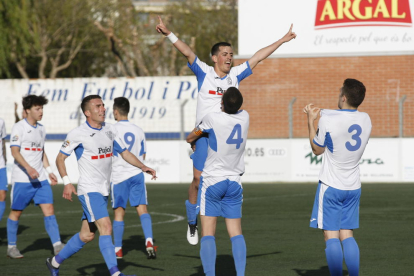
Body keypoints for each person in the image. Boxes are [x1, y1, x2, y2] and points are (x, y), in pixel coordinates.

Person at [156, 15, 297, 245]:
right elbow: (187, 52)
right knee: (197, 180)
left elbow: (259, 56)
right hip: (204, 134)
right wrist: (168, 33)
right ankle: (192, 221)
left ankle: (220, 218)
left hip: (225, 136)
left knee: (226, 180)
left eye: (231, 54)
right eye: (224, 54)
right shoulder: (204, 72)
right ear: (214, 58)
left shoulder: (236, 75)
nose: (229, 58)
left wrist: (282, 40)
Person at [46, 95, 156, 276]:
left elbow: (125, 152)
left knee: (86, 235)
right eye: (98, 106)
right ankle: (115, 273)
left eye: (103, 105)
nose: (103, 109)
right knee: (106, 226)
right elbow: (60, 158)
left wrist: (143, 166)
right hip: (89, 190)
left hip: (104, 190)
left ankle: (54, 262)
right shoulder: (77, 134)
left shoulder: (110, 129)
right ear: (87, 112)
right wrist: (67, 183)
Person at [303, 79, 372, 276]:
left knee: (330, 236)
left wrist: (311, 120)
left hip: (331, 185)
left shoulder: (328, 121)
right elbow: (342, 115)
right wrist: (320, 110)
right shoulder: (366, 118)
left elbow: (317, 150)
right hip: (353, 186)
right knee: (347, 234)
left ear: (343, 97)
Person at [186, 87, 249, 276]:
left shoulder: (212, 118)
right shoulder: (245, 116)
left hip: (213, 181)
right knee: (236, 233)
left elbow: (190, 137)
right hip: (235, 182)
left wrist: (197, 138)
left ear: (221, 103)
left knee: (208, 234)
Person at [7, 95, 64, 259]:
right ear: (27, 111)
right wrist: (28, 168)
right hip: (22, 180)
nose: (41, 112)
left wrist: (49, 170)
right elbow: (14, 151)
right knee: (16, 213)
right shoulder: (19, 127)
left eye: (42, 108)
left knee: (49, 210)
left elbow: (41, 151)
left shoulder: (41, 128)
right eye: (37, 109)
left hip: (40, 180)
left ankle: (57, 245)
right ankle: (11, 247)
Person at [111, 97, 156, 260]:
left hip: (119, 175)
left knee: (119, 213)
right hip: (137, 174)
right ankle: (149, 242)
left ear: (115, 111)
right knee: (142, 210)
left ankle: (118, 249)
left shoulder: (111, 129)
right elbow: (143, 154)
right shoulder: (138, 130)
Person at [0, 118, 7, 228]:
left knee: (2, 195)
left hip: (1, 165)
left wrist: (5, 159)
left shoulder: (1, 121)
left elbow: (3, 142)